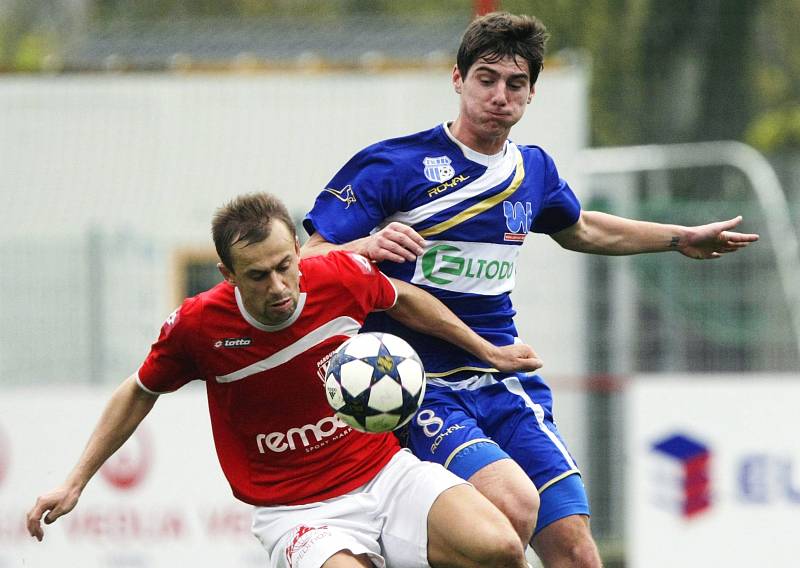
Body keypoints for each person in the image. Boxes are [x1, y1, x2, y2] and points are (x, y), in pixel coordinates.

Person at [301, 11, 760, 568]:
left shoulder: (532, 171)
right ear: (457, 79)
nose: (500, 95)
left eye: (515, 83)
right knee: (509, 511)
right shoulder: (393, 165)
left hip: (505, 379)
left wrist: (678, 237)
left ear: (532, 92)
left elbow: (583, 228)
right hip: (421, 386)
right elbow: (307, 259)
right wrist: (364, 247)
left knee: (576, 551)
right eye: (486, 79)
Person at [26, 192, 544, 568]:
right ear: (228, 275)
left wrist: (485, 349)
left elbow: (402, 298)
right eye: (257, 275)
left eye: (285, 266)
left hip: (385, 474)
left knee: (499, 547)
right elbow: (139, 391)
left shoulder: (338, 275)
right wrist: (74, 482)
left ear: (298, 251)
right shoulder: (198, 326)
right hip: (297, 511)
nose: (278, 286)